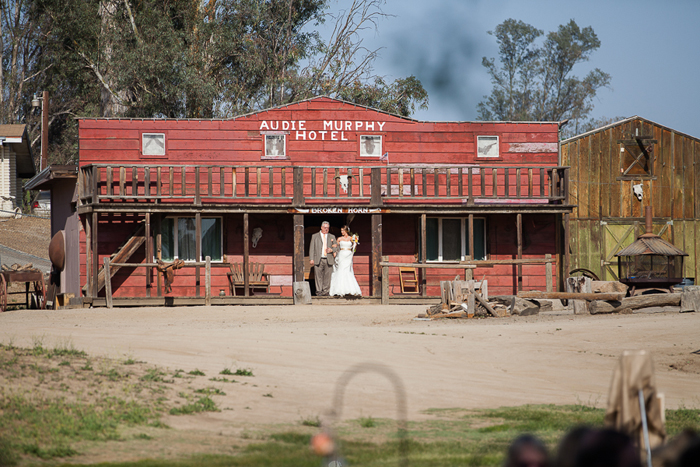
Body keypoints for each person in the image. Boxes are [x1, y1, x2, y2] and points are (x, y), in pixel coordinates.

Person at [329, 225, 361, 297]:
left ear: (346, 231)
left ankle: (349, 289)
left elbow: (354, 246)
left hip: (349, 255)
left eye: (343, 230)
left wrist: (355, 241)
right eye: (341, 231)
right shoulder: (339, 239)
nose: (342, 232)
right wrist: (331, 243)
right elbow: (336, 246)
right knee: (341, 270)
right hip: (342, 254)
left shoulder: (351, 238)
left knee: (348, 271)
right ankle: (339, 289)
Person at [309, 221, 336, 296]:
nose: (326, 229)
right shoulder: (315, 236)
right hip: (318, 258)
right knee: (318, 276)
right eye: (325, 228)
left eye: (327, 228)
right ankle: (319, 291)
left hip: (328, 259)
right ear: (321, 227)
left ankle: (326, 291)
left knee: (327, 276)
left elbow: (336, 247)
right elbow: (312, 248)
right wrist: (311, 258)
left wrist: (332, 250)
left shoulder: (332, 236)